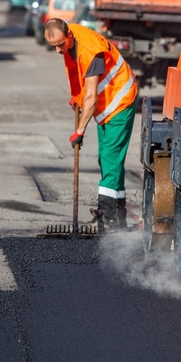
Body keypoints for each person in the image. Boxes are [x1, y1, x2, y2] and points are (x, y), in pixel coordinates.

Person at [44, 18, 138, 232]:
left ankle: (108, 216)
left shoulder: (89, 50)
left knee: (110, 158)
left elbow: (92, 96)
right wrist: (76, 97)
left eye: (60, 45)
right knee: (107, 157)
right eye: (53, 47)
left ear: (68, 35)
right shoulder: (70, 38)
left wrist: (79, 130)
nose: (58, 50)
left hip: (120, 99)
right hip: (108, 104)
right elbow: (76, 73)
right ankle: (117, 215)